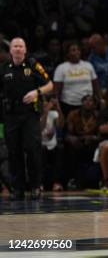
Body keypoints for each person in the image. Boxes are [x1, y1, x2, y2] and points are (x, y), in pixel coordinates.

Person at [0, 38, 54, 200]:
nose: (17, 49)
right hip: (10, 115)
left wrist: (36, 92)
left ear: (25, 49)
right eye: (15, 46)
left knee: (32, 150)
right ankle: (18, 189)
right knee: (14, 151)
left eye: (20, 46)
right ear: (10, 50)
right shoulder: (3, 69)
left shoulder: (33, 65)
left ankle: (36, 186)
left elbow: (50, 85)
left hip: (30, 114)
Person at [54, 42, 101, 116]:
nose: (77, 52)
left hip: (88, 103)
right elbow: (57, 89)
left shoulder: (88, 65)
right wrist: (57, 104)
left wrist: (99, 99)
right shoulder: (61, 68)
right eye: (73, 50)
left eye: (78, 50)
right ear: (67, 54)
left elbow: (95, 85)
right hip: (68, 104)